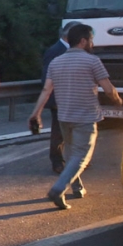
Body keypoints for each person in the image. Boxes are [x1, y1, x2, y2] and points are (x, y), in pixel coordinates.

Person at [28, 23, 122, 208]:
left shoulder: (56, 62)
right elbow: (108, 89)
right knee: (81, 157)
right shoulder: (92, 61)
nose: (92, 44)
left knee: (72, 153)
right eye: (91, 40)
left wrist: (35, 114)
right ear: (83, 41)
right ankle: (58, 188)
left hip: (64, 116)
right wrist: (117, 100)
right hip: (85, 117)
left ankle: (77, 188)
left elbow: (46, 90)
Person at [42, 21, 81, 174]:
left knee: (74, 131)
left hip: (73, 98)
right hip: (59, 100)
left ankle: (75, 160)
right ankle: (57, 161)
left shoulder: (76, 50)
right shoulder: (55, 51)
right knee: (58, 133)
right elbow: (47, 78)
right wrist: (53, 100)